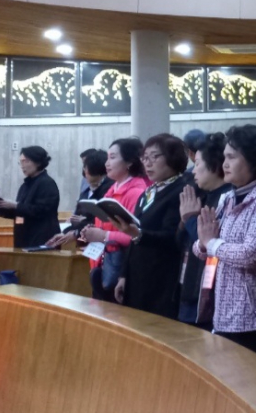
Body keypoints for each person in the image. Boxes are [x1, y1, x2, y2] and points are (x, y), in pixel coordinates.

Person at [193, 125, 256, 357]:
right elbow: (200, 247)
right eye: (224, 157)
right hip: (223, 309)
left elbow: (249, 255)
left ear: (253, 160)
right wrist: (204, 243)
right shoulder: (228, 198)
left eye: (232, 157)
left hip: (252, 315)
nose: (225, 164)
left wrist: (211, 243)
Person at [48, 138, 148, 301]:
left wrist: (103, 236)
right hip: (102, 263)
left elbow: (136, 236)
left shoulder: (136, 192)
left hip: (121, 268)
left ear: (129, 162)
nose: (107, 163)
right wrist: (85, 233)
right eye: (107, 158)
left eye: (112, 157)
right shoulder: (111, 190)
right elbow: (100, 227)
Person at [112, 134, 192, 317]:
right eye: (145, 157)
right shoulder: (149, 192)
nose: (147, 163)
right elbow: (133, 238)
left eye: (154, 157)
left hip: (161, 278)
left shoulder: (181, 190)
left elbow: (173, 237)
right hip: (137, 274)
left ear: (173, 157)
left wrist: (139, 234)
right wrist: (124, 275)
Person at [177, 133, 232, 327]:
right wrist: (184, 220)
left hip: (208, 291)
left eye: (198, 164)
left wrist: (190, 219)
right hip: (190, 282)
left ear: (215, 166)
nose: (193, 171)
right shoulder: (203, 195)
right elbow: (183, 240)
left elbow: (208, 242)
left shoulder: (227, 198)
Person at [0, 146, 61, 248]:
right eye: (21, 162)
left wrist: (16, 206)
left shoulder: (47, 183)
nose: (22, 166)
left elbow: (42, 211)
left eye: (26, 161)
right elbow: (21, 213)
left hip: (41, 237)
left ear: (38, 162)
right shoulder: (25, 185)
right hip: (23, 237)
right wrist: (2, 207)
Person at [68, 148, 113, 233]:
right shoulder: (87, 190)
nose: (84, 172)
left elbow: (103, 219)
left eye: (86, 168)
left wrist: (83, 221)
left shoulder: (109, 189)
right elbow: (78, 213)